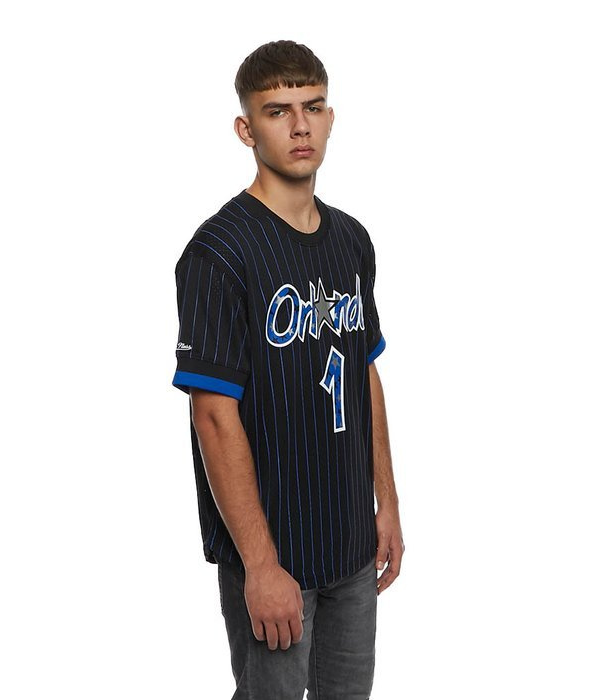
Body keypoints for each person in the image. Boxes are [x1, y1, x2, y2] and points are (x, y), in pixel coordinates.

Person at [171, 39, 404, 700]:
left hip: (351, 542)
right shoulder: (219, 252)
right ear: (246, 129)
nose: (300, 126)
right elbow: (213, 415)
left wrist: (386, 502)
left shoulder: (351, 239)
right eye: (278, 111)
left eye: (313, 107)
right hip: (276, 551)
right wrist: (261, 563)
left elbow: (363, 372)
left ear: (330, 118)